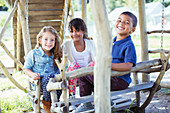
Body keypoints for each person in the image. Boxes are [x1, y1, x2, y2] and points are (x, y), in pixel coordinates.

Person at [73, 11, 138, 112]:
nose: (121, 23)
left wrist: (108, 65)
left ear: (132, 30)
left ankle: (86, 104)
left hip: (120, 80)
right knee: (89, 74)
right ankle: (104, 101)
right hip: (109, 76)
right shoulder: (112, 41)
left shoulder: (128, 45)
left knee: (84, 75)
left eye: (127, 22)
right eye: (119, 20)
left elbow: (129, 66)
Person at [23, 26, 62, 113]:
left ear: (55, 42)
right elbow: (25, 69)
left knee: (59, 78)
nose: (49, 42)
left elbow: (59, 70)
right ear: (40, 40)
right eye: (46, 39)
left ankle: (56, 103)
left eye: (52, 40)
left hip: (54, 82)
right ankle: (47, 104)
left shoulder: (55, 54)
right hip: (39, 83)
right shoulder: (34, 53)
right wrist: (33, 74)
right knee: (48, 77)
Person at [62, 18, 96, 111]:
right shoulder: (67, 45)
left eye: (77, 31)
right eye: (71, 31)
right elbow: (69, 62)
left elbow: (95, 60)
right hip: (74, 73)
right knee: (73, 65)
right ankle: (72, 99)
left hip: (88, 72)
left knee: (95, 63)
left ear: (84, 31)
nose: (74, 34)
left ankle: (96, 96)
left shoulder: (90, 43)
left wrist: (87, 70)